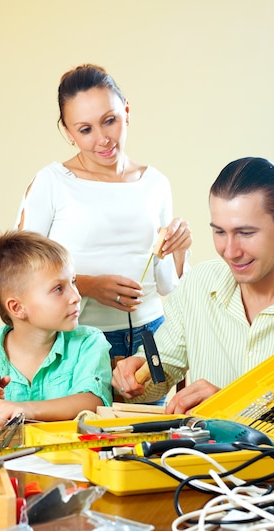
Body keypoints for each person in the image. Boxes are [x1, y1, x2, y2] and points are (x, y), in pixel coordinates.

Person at [112, 156, 274, 413]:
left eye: (246, 233)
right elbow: (159, 376)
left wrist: (232, 406)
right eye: (219, 232)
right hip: (204, 454)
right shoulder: (198, 285)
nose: (230, 251)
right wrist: (135, 375)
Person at [15, 63, 192, 365]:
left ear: (126, 110)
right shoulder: (52, 182)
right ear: (68, 132)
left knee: (152, 416)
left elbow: (165, 285)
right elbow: (19, 271)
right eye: (85, 129)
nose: (103, 139)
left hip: (151, 335)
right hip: (79, 338)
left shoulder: (156, 183)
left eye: (109, 120)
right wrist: (87, 285)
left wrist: (181, 250)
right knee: (82, 415)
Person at [0, 230, 113, 428]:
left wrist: (23, 409)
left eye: (73, 282)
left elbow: (93, 403)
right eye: (58, 289)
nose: (76, 296)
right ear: (17, 308)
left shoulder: (89, 342)